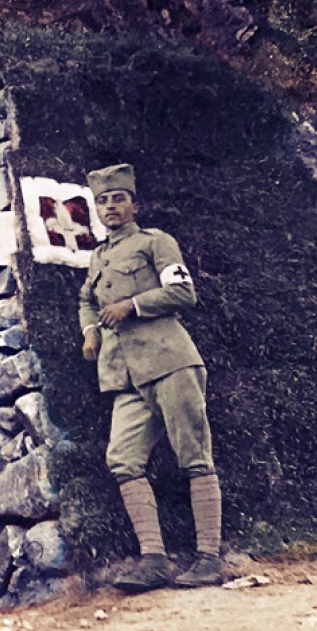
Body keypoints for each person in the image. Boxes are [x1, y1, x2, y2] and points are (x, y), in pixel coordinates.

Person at [78, 163, 224, 592]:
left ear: (134, 204)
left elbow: (183, 292)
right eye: (103, 201)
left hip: (169, 360)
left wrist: (132, 305)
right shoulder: (99, 256)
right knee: (122, 459)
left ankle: (210, 559)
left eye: (118, 199)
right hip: (125, 375)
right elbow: (87, 300)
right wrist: (90, 331)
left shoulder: (155, 242)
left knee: (194, 455)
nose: (110, 208)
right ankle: (154, 559)